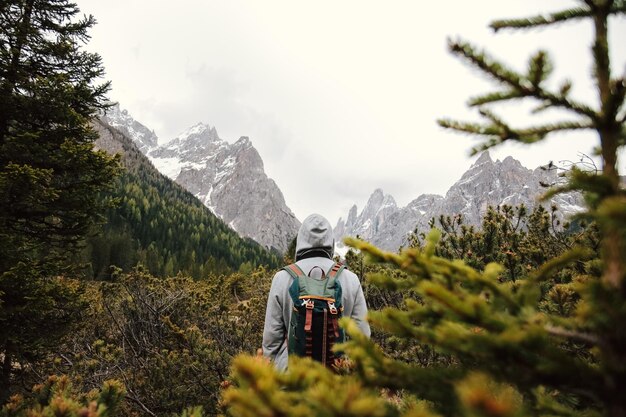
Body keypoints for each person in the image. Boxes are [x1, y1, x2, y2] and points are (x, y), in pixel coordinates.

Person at [262, 213, 371, 370]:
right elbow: (362, 339)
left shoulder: (282, 278)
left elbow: (271, 343)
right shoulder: (350, 279)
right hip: (336, 384)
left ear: (300, 241)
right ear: (331, 243)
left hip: (292, 382)